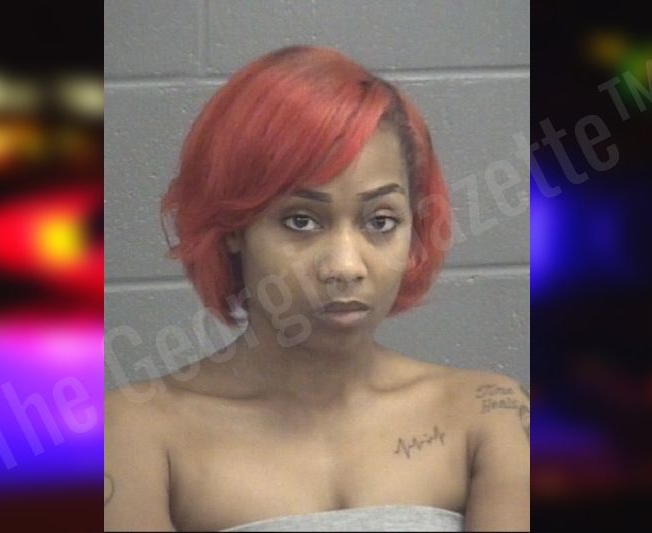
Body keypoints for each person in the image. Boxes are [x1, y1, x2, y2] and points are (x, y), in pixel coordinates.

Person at [105, 45, 529, 532]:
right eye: (301, 221)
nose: (345, 266)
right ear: (234, 228)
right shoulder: (136, 435)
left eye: (380, 221)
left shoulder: (490, 415)